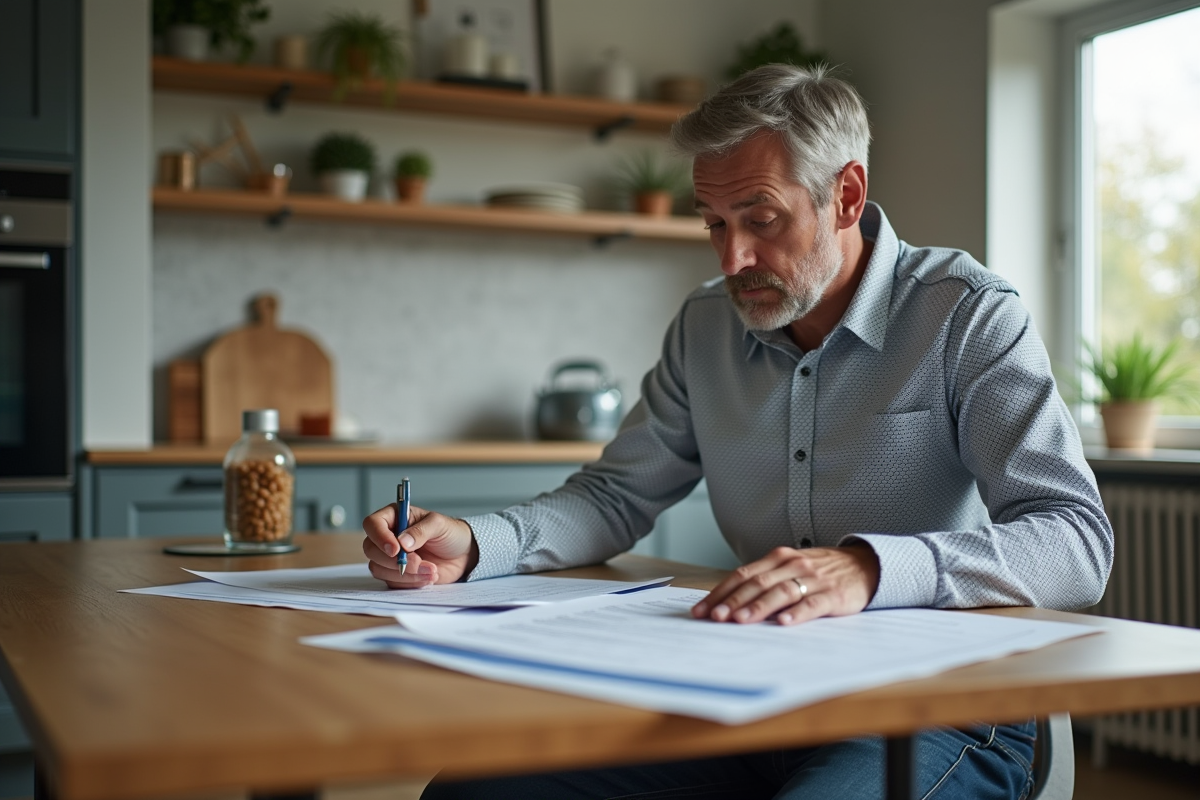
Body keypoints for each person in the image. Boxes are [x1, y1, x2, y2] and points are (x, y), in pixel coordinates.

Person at [362, 64, 1113, 799]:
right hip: (758, 699)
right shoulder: (704, 324)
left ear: (845, 195)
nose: (733, 259)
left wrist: (868, 570)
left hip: (939, 709)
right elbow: (616, 496)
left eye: (761, 220)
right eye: (715, 224)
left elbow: (1077, 541)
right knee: (470, 792)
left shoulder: (968, 314)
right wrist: (478, 543)